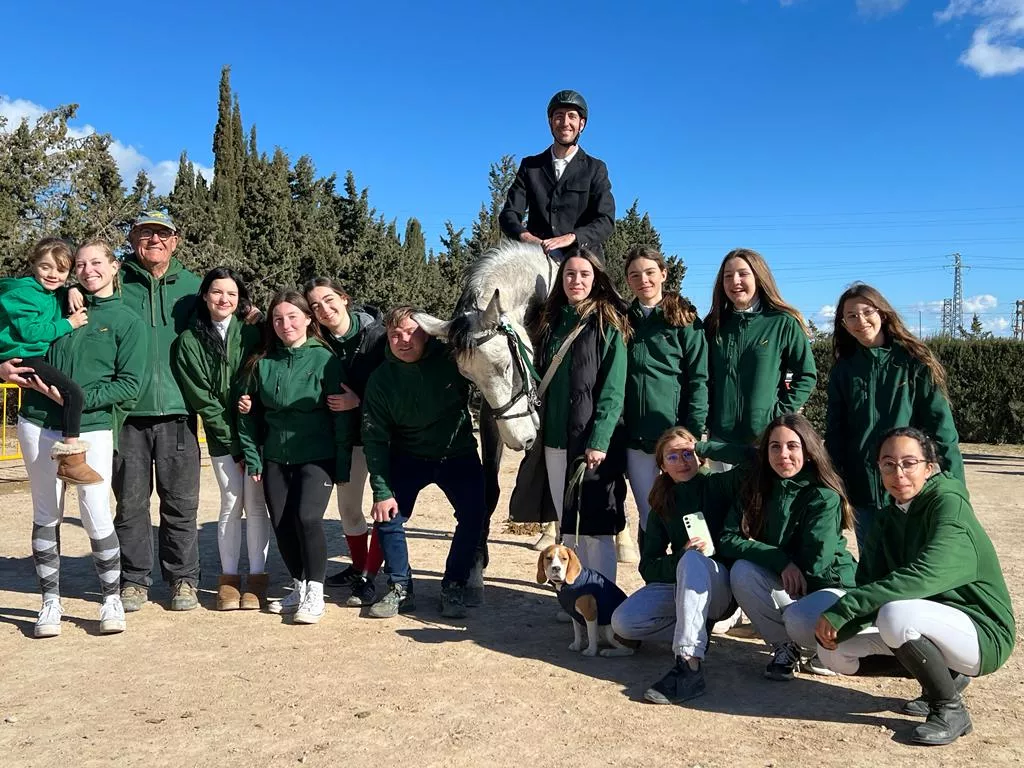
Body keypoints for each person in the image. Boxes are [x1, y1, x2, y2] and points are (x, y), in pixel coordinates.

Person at [813, 427, 1015, 746]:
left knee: (896, 615)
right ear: (878, 468)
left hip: (982, 632)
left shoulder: (949, 505)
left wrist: (846, 609)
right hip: (932, 626)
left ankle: (949, 709)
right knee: (834, 654)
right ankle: (944, 679)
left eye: (909, 463)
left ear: (929, 467)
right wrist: (841, 626)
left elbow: (922, 576)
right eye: (889, 464)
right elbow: (869, 582)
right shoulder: (886, 517)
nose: (899, 473)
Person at [17, 239, 147, 637]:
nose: (88, 270)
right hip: (38, 420)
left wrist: (80, 398)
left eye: (97, 263)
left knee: (95, 510)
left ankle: (110, 599)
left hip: (91, 427)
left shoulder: (127, 320)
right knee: (46, 513)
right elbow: (16, 338)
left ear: (113, 267)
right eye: (81, 264)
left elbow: (130, 384)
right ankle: (49, 603)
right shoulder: (54, 304)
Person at [361, 306, 486, 620]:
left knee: (474, 515)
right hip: (408, 455)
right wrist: (380, 489)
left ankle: (454, 585)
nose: (403, 340)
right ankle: (401, 587)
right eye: (394, 335)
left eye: (410, 332)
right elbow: (374, 438)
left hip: (456, 452)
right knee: (389, 516)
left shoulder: (452, 360)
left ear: (427, 333)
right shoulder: (381, 380)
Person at [611, 428, 750, 705]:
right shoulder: (662, 502)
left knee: (694, 561)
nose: (682, 461)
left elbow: (754, 461)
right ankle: (696, 628)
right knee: (623, 623)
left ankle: (689, 665)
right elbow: (648, 567)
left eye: (688, 453)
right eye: (672, 456)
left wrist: (707, 447)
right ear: (662, 466)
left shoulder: (718, 485)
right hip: (680, 581)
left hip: (721, 586)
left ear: (699, 456)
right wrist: (679, 558)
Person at [718, 413, 856, 681]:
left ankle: (821, 646)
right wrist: (779, 560)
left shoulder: (822, 495)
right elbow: (727, 538)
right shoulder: (755, 487)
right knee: (743, 571)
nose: (784, 454)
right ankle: (786, 648)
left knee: (798, 619)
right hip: (789, 578)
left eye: (793, 446)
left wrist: (780, 560)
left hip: (829, 585)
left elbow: (816, 562)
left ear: (809, 450)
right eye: (775, 446)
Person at [826, 283, 964, 550]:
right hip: (864, 491)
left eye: (867, 312)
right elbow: (836, 434)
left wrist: (956, 488)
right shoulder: (843, 371)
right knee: (873, 568)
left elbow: (942, 429)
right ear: (843, 323)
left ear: (883, 313)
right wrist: (835, 483)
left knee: (915, 567)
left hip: (911, 488)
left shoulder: (914, 362)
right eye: (851, 316)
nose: (861, 321)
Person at [237, 291, 347, 625]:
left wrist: (342, 463)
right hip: (274, 456)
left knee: (308, 518)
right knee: (282, 522)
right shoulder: (262, 361)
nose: (286, 325)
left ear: (308, 320)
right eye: (278, 319)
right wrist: (253, 457)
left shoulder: (325, 360)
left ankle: (315, 592)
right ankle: (298, 586)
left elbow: (341, 415)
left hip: (318, 454)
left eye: (293, 317)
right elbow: (245, 411)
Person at [112, 211, 203, 612]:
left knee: (180, 504)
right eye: (146, 233)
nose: (154, 240)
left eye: (162, 234)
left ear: (175, 241)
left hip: (179, 412)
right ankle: (133, 580)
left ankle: (183, 580)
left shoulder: (193, 288)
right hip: (126, 414)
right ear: (133, 239)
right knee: (130, 504)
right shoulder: (114, 283)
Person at [173, 267, 270, 611]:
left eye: (231, 293)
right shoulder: (189, 341)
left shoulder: (254, 334)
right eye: (217, 292)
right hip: (221, 439)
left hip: (259, 433)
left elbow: (270, 374)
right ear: (204, 295)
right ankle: (229, 579)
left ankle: (257, 579)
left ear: (240, 299)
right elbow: (203, 399)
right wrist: (232, 443)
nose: (224, 299)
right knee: (231, 502)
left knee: (257, 505)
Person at [533, 246, 629, 583]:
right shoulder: (551, 322)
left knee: (597, 527)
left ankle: (603, 598)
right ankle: (575, 599)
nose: (576, 280)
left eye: (584, 274)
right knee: (567, 521)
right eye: (570, 274)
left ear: (596, 279)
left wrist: (600, 439)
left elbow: (613, 390)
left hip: (593, 442)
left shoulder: (608, 324)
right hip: (555, 440)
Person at [304, 277, 387, 607]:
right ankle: (357, 567)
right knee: (349, 509)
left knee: (384, 508)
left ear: (344, 298)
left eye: (328, 300)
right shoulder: (318, 342)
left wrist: (361, 402)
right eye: (315, 306)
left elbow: (396, 386)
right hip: (346, 440)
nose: (324, 309)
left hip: (382, 437)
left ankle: (370, 575)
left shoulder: (379, 336)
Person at [622, 245, 708, 549]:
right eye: (634, 275)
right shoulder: (623, 320)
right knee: (649, 515)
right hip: (637, 441)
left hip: (677, 439)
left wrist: (693, 433)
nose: (643, 279)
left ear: (663, 273)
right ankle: (655, 585)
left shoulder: (683, 319)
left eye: (649, 272)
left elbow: (699, 379)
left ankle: (701, 586)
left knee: (690, 516)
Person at [0, 238, 100, 485]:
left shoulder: (52, 292)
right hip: (23, 356)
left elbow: (62, 291)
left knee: (63, 396)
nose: (53, 275)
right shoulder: (22, 293)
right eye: (46, 267)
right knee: (74, 393)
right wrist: (69, 323)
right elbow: (31, 331)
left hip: (33, 356)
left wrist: (74, 288)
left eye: (61, 270)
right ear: (33, 264)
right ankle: (72, 459)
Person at [704, 248, 816, 462]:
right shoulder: (713, 325)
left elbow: (806, 375)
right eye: (728, 276)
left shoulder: (783, 322)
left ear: (759, 277)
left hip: (764, 439)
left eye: (743, 274)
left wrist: (778, 415)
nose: (735, 281)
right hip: (720, 440)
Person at [499, 89, 616, 261]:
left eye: (572, 116)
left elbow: (605, 220)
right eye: (559, 116)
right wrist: (528, 238)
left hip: (582, 259)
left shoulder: (596, 168)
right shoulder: (530, 166)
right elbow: (509, 214)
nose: (565, 122)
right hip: (538, 258)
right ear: (550, 122)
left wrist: (571, 237)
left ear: (581, 124)